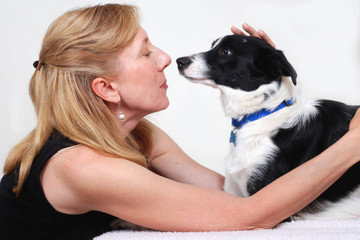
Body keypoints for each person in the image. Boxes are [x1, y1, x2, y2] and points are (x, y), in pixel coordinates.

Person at [0, 3, 359, 240]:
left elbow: (230, 197)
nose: (165, 58)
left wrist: (267, 80)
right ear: (106, 88)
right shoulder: (83, 166)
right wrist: (351, 146)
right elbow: (251, 215)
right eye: (145, 52)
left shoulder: (137, 135)